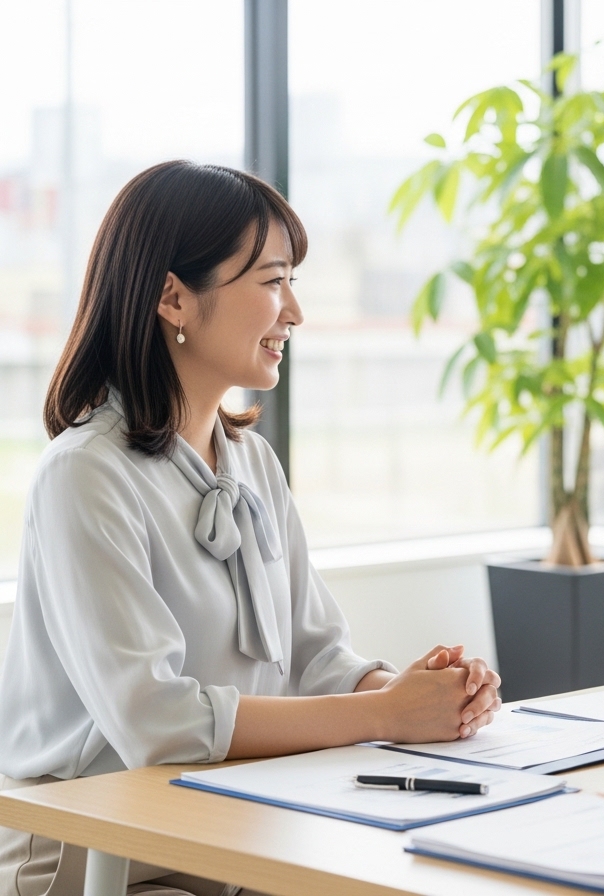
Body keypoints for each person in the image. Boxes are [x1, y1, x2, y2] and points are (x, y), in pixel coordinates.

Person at [0, 161, 502, 896]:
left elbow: (316, 656)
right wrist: (379, 714)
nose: (294, 311)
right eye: (271, 282)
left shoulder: (253, 463)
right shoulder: (86, 474)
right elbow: (157, 723)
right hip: (99, 865)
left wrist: (423, 696)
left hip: (230, 844)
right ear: (174, 297)